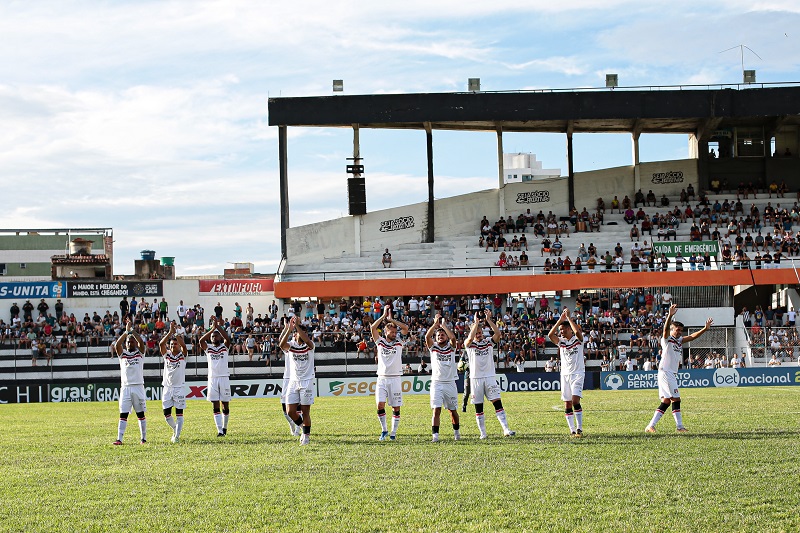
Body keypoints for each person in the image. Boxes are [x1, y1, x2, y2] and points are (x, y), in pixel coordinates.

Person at [646, 305, 713, 434]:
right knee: (676, 399)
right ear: (672, 329)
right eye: (677, 329)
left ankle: (651, 426)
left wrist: (705, 329)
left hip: (670, 373)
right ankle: (680, 427)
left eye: (681, 330)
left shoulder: (678, 340)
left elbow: (692, 337)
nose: (679, 332)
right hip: (666, 372)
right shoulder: (667, 339)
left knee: (666, 401)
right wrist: (669, 315)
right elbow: (665, 329)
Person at [464, 309, 515, 439]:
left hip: (490, 376)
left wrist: (488, 320)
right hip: (476, 378)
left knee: (497, 403)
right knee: (479, 407)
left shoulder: (488, 342)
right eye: (477, 332)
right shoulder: (469, 344)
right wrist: (475, 323)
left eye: (480, 332)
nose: (479, 334)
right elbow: (469, 338)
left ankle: (506, 429)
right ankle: (483, 433)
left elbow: (498, 334)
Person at [371, 306, 409, 441]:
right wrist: (382, 316)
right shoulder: (380, 342)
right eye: (392, 332)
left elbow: (405, 328)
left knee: (395, 407)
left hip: (395, 378)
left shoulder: (399, 342)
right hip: (381, 378)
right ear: (386, 331)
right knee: (380, 404)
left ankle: (393, 432)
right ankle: (384, 430)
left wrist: (392, 319)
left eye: (395, 332)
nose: (394, 334)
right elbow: (373, 328)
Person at [548, 309, 586, 437]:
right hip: (565, 375)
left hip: (578, 374)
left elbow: (577, 332)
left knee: (575, 400)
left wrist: (569, 318)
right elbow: (550, 335)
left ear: (569, 330)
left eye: (563, 329)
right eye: (561, 330)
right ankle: (572, 430)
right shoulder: (561, 342)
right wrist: (560, 320)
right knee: (567, 403)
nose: (561, 332)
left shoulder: (578, 340)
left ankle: (580, 428)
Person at [279, 316, 316, 446]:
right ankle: (302, 427)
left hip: (307, 381)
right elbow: (281, 345)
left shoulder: (310, 345)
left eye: (303, 332)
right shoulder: (291, 346)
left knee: (305, 411)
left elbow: (306, 339)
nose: (300, 334)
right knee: (290, 411)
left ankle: (306, 437)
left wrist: (297, 326)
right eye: (298, 332)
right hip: (293, 382)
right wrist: (289, 328)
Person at [425, 314, 461, 442]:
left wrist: (444, 326)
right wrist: (435, 325)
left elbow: (453, 338)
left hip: (450, 383)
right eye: (438, 335)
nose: (441, 336)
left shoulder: (451, 348)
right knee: (436, 410)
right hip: (436, 383)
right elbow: (427, 337)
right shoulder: (433, 348)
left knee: (453, 411)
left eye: (442, 335)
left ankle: (456, 433)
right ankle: (435, 436)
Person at [112, 321, 147, 445]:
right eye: (128, 342)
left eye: (132, 342)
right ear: (126, 344)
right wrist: (126, 332)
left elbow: (141, 343)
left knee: (140, 414)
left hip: (138, 387)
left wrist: (132, 332)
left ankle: (143, 438)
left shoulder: (140, 353)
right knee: (123, 414)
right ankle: (119, 439)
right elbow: (117, 345)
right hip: (125, 387)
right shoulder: (123, 355)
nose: (130, 343)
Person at [198, 319, 233, 437]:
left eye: (216, 336)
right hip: (212, 378)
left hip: (224, 378)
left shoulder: (224, 347)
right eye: (213, 336)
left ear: (220, 337)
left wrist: (218, 328)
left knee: (225, 404)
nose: (214, 337)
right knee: (215, 404)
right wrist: (212, 329)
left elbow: (227, 339)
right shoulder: (208, 349)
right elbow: (201, 340)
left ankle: (225, 427)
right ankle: (219, 431)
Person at [159, 322, 187, 443]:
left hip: (179, 388)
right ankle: (175, 429)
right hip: (167, 387)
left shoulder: (182, 355)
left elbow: (184, 347)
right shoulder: (167, 356)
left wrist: (175, 334)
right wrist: (170, 332)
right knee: (166, 415)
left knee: (179, 413)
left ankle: (176, 436)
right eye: (172, 344)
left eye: (176, 344)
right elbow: (161, 344)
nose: (174, 345)